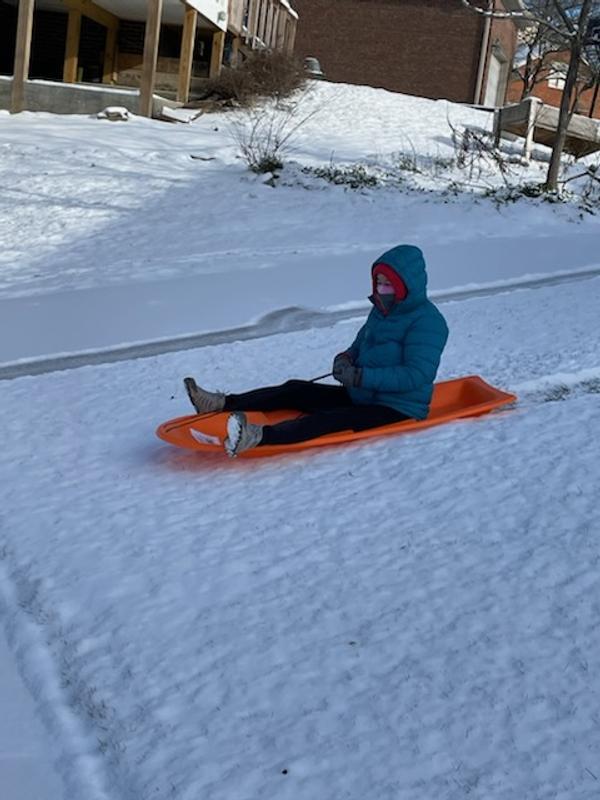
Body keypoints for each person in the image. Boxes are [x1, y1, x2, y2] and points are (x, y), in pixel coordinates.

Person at [184, 244, 449, 457]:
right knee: (296, 388)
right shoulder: (380, 310)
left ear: (406, 286)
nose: (381, 289)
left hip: (398, 407)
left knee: (329, 419)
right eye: (378, 282)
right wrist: (345, 359)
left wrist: (360, 377)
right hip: (363, 394)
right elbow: (360, 345)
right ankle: (222, 403)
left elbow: (416, 375)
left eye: (388, 284)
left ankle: (256, 437)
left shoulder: (428, 323)